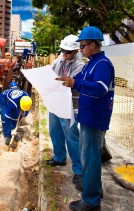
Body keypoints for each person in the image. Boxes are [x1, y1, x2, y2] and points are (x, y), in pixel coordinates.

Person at [56, 26, 115, 211]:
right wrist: (66, 81)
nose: (80, 50)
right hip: (87, 116)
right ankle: (95, 191)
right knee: (89, 156)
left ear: (92, 45)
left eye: (82, 46)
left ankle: (90, 201)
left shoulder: (103, 64)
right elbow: (77, 79)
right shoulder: (90, 64)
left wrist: (75, 83)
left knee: (90, 159)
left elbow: (100, 88)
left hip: (95, 117)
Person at [46, 35, 85, 190]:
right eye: (63, 50)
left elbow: (69, 83)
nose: (64, 53)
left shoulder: (80, 65)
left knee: (71, 136)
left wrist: (57, 81)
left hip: (69, 105)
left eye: (68, 51)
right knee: (54, 131)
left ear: (76, 51)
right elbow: (51, 75)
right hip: (55, 103)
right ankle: (59, 157)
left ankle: (79, 170)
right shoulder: (58, 61)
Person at [0, 82, 32, 148]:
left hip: (14, 100)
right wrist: (12, 128)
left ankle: (13, 132)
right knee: (4, 117)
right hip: (2, 99)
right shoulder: (13, 104)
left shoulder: (27, 97)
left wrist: (25, 113)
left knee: (15, 115)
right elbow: (7, 117)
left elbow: (27, 107)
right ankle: (7, 135)